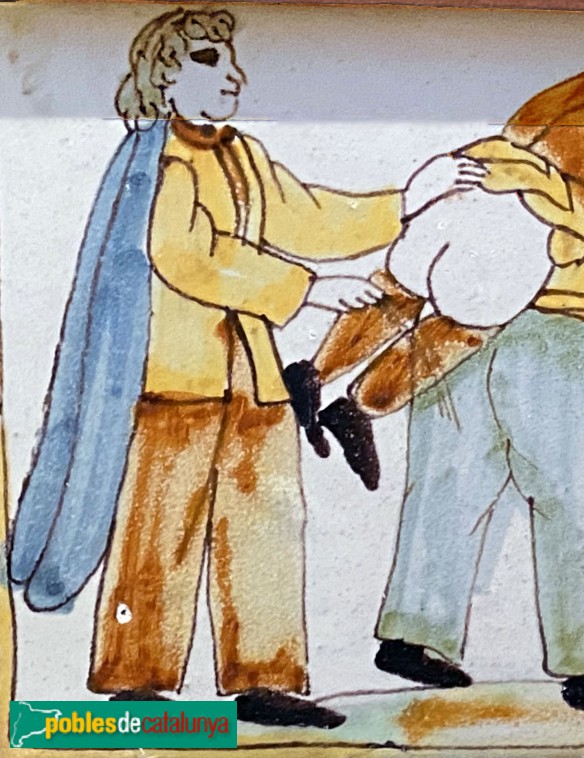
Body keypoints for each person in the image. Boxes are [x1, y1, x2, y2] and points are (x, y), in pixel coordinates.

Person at [8, 8, 484, 728]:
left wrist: (407, 201)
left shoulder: (243, 154)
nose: (232, 75)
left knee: (266, 527)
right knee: (159, 531)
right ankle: (137, 682)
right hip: (176, 377)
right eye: (209, 60)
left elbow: (310, 217)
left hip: (254, 378)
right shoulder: (161, 164)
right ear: (165, 76)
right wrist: (304, 288)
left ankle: (265, 679)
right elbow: (189, 257)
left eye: (229, 60)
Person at [298, 32, 584, 717]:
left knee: (445, 484)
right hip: (553, 325)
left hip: (463, 314)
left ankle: (414, 631)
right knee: (577, 495)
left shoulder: (552, 106)